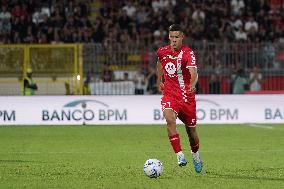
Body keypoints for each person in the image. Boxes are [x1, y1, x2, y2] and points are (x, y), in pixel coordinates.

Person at [156, 24, 203, 173]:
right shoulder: (162, 52)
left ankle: (195, 155)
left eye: (177, 37)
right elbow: (159, 63)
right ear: (169, 37)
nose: (174, 40)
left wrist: (192, 83)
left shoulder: (188, 53)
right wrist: (159, 80)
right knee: (169, 119)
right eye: (172, 37)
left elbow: (194, 72)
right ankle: (179, 155)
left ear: (182, 37)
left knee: (192, 133)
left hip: (187, 98)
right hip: (170, 94)